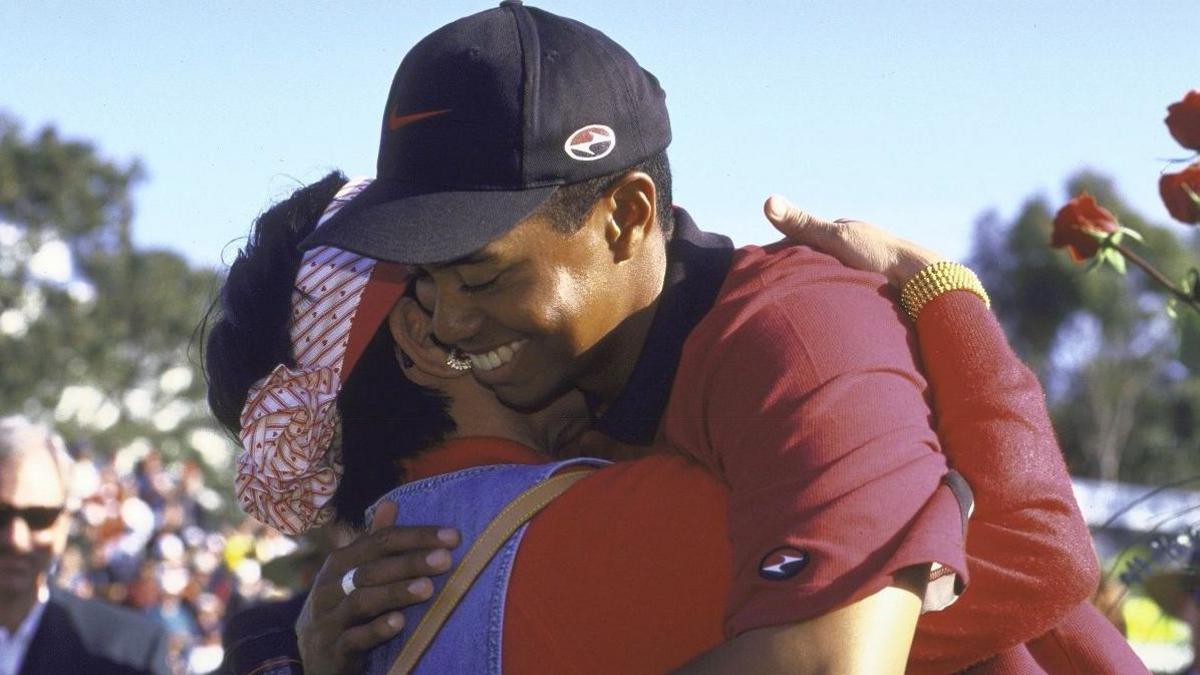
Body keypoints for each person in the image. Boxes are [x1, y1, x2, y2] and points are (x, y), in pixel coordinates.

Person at [297, 3, 1101, 671]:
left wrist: (943, 295)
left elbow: (836, 660)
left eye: (480, 275)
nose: (448, 320)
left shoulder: (798, 333)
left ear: (627, 218)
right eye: (427, 280)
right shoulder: (581, 390)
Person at [207, 175, 1137, 674]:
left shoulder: (361, 599)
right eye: (480, 268)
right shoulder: (631, 526)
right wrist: (944, 294)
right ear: (429, 335)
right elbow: (1030, 553)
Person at [0, 416, 170, 675]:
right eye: (1, 515)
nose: (16, 539)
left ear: (64, 523)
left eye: (39, 518)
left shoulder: (128, 650)